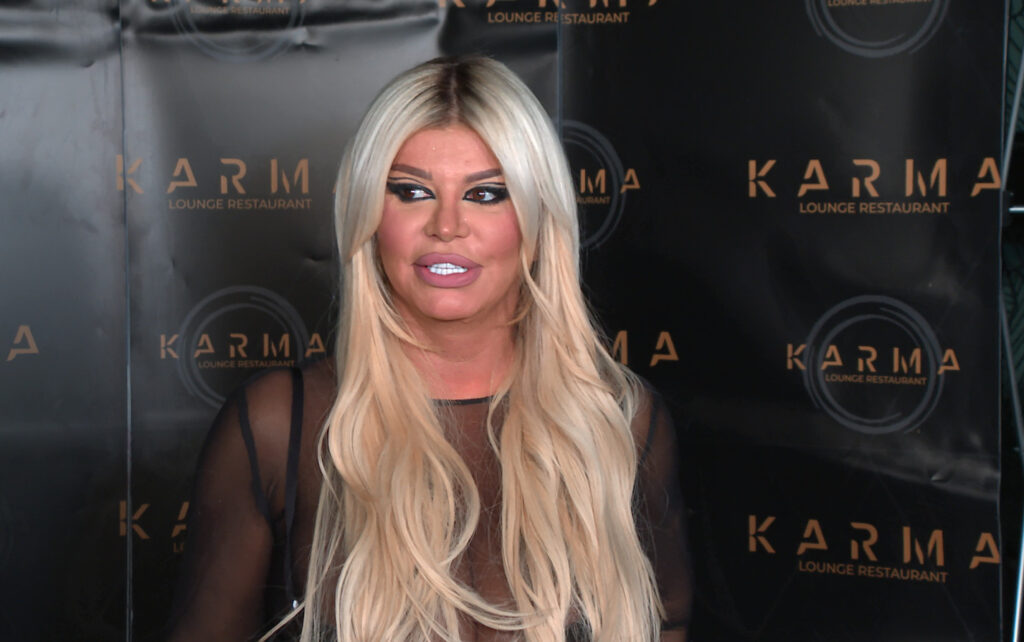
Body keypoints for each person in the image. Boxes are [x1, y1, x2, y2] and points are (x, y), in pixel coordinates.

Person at [168, 55, 692, 642]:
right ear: (369, 214)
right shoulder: (277, 426)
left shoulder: (621, 422)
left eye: (486, 194)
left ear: (538, 217)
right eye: (412, 191)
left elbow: (668, 619)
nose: (446, 225)